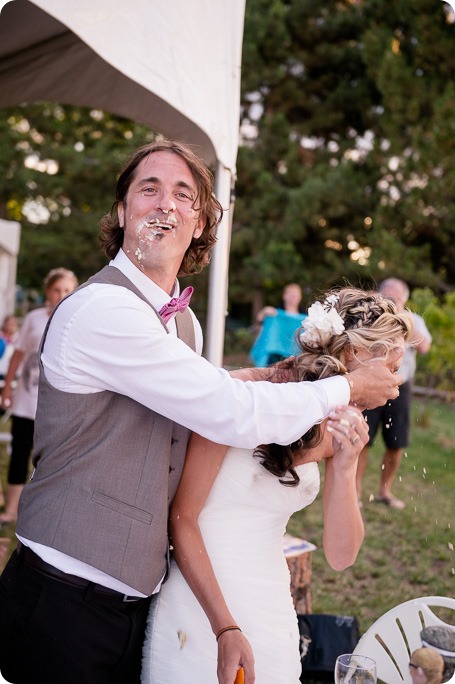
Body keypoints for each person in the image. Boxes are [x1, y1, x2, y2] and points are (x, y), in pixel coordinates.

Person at [0, 140, 402, 684]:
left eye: (183, 194)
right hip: (63, 592)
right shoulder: (102, 308)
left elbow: (202, 397)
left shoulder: (184, 325)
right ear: (122, 213)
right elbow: (222, 407)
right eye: (149, 188)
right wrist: (345, 385)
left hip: (135, 601)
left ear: (200, 223)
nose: (165, 203)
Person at [142, 287, 414, 684]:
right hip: (198, 604)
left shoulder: (338, 424)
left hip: (269, 605)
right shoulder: (240, 393)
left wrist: (344, 466)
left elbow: (341, 556)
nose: (397, 379)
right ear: (355, 356)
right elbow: (182, 518)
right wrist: (225, 626)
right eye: (392, 364)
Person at [0, 269, 78, 526]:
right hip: (26, 402)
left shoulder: (77, 320)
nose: (61, 295)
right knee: (19, 455)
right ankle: (11, 510)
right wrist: (7, 389)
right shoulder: (33, 319)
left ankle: (42, 514)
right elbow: (18, 357)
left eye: (67, 290)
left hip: (57, 407)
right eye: (57, 289)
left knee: (50, 461)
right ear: (48, 291)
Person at [356, 278, 432, 509]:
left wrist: (402, 317)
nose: (390, 299)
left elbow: (425, 347)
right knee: (362, 440)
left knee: (396, 442)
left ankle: (385, 491)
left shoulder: (414, 319)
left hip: (400, 386)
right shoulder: (371, 315)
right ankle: (356, 493)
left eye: (396, 297)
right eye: (386, 295)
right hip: (370, 382)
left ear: (405, 299)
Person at [250, 283, 305, 366]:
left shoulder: (306, 317)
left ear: (300, 297)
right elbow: (259, 320)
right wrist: (264, 311)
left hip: (298, 356)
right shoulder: (275, 314)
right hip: (275, 355)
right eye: (290, 293)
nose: (293, 296)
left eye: (296, 294)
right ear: (284, 296)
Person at [0, 314, 18, 380]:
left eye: (12, 324)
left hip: (9, 372)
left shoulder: (16, 339)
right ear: (4, 324)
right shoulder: (1, 338)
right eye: (8, 324)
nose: (10, 326)